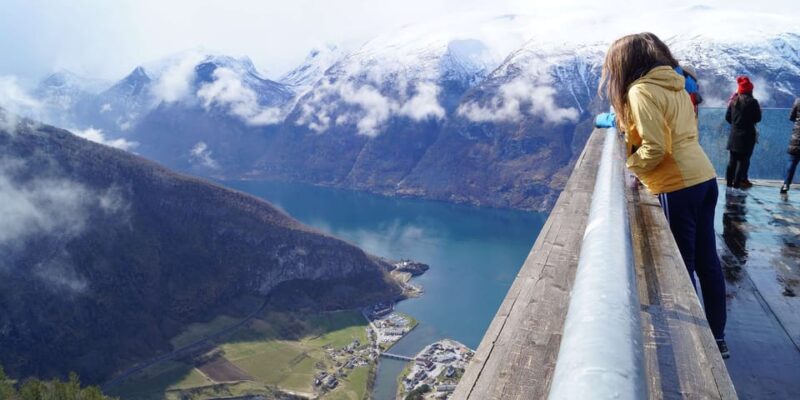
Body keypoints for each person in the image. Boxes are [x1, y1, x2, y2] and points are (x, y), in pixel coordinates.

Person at [600, 33, 729, 358]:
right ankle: (717, 338)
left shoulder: (640, 90)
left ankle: (693, 347)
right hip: (704, 176)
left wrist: (629, 166)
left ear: (625, 64)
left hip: (677, 184)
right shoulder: (675, 84)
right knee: (707, 262)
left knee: (681, 267)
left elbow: (656, 147)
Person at [725, 76, 761, 192]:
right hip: (747, 136)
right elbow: (758, 118)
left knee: (732, 161)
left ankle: (728, 185)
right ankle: (736, 186)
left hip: (734, 135)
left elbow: (727, 117)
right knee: (742, 161)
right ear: (750, 90)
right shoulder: (753, 102)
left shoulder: (733, 101)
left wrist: (735, 124)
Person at [781, 98, 800, 193]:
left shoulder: (798, 101)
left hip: (797, 136)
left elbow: (791, 117)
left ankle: (786, 184)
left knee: (792, 162)